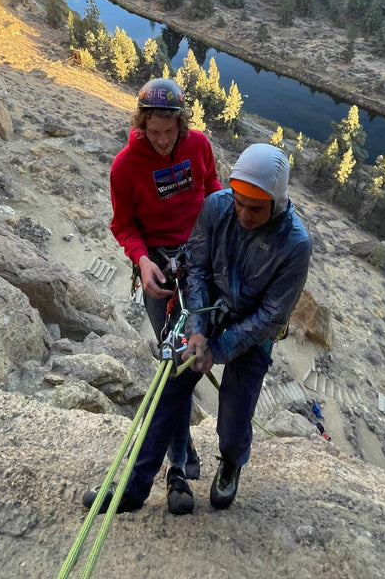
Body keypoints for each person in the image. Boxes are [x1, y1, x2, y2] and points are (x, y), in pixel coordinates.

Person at [87, 143, 311, 516]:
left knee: (235, 418)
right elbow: (196, 269)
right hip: (206, 309)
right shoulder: (217, 207)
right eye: (239, 202)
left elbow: (271, 316)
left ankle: (231, 460)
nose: (243, 214)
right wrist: (195, 330)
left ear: (277, 201)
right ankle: (133, 487)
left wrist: (217, 351)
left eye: (255, 208)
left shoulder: (294, 244)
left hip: (253, 329)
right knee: (167, 390)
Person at [108, 77, 222, 481]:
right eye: (151, 131)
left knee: (196, 354)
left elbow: (212, 192)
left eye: (168, 131)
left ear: (181, 124)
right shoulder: (126, 165)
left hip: (200, 262)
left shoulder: (198, 146)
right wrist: (141, 260)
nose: (159, 140)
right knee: (173, 362)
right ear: (142, 124)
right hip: (160, 270)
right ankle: (180, 457)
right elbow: (123, 224)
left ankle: (185, 454)